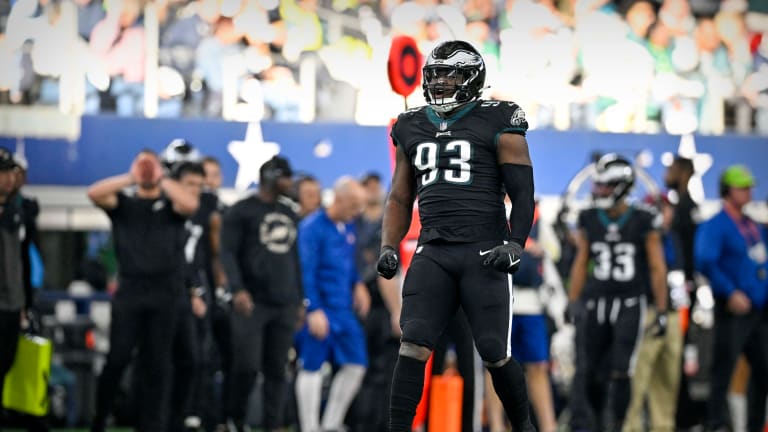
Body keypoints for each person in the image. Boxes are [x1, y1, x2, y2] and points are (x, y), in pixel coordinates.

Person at [375, 40, 537, 432]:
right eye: (436, 75)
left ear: (473, 78)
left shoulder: (500, 117)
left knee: (495, 352)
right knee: (412, 343)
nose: (442, 82)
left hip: (484, 250)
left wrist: (515, 243)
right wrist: (388, 246)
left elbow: (523, 192)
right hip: (434, 248)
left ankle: (525, 428)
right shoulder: (410, 124)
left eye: (451, 75)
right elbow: (400, 195)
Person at [88, 149, 199, 432]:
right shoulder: (124, 205)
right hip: (130, 291)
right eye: (142, 165)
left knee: (158, 364)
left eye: (151, 165)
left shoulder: (171, 206)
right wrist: (132, 176)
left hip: (166, 293)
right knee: (118, 358)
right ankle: (100, 419)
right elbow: (94, 193)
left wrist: (159, 177)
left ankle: (152, 425)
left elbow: (190, 204)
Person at [565, 153, 668, 432]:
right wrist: (572, 301)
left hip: (629, 302)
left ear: (622, 186)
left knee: (622, 370)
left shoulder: (643, 219)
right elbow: (581, 261)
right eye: (598, 186)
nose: (598, 191)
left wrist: (661, 309)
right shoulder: (588, 217)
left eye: (605, 186)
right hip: (595, 300)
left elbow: (658, 267)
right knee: (590, 373)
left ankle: (618, 425)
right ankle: (598, 423)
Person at [220, 155, 303, 432]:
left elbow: (295, 258)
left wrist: (300, 299)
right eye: (285, 177)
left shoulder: (290, 212)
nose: (290, 183)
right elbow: (227, 253)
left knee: (277, 371)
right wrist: (237, 289)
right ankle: (235, 418)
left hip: (285, 302)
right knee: (246, 366)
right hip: (252, 301)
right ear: (270, 177)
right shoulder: (241, 211)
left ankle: (272, 425)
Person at [294, 176, 371, 432]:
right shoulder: (311, 227)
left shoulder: (348, 228)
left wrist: (358, 284)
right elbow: (305, 270)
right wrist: (312, 308)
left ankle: (331, 424)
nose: (357, 212)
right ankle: (309, 427)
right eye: (353, 205)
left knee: (357, 364)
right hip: (321, 309)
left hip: (343, 309)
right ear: (338, 199)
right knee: (312, 366)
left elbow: (348, 264)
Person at [695, 165, 768, 432]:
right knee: (722, 372)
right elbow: (705, 261)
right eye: (743, 187)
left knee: (763, 373)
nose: (749, 192)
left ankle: (755, 425)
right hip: (733, 311)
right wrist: (729, 291)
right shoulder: (716, 226)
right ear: (728, 191)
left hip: (759, 311)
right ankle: (715, 424)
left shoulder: (752, 225)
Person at [623, 194, 684, 432]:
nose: (665, 213)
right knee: (637, 379)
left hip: (672, 312)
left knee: (668, 379)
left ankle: (663, 427)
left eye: (667, 208)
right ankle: (630, 427)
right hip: (646, 312)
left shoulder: (673, 237)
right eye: (659, 208)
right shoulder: (639, 237)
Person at [0, 147, 24, 427]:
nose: (8, 178)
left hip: (12, 302)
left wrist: (24, 304)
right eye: (3, 172)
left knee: (6, 362)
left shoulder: (18, 211)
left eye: (10, 172)